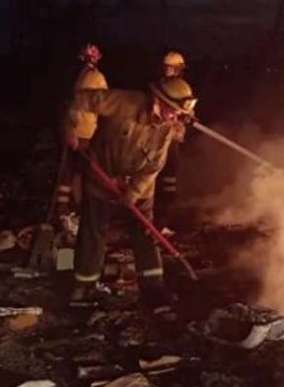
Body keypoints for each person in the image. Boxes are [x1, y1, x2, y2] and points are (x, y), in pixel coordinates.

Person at [64, 77, 197, 311]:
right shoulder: (123, 102)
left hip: (139, 187)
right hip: (101, 178)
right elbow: (79, 100)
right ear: (158, 101)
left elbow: (154, 167)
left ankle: (153, 287)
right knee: (94, 231)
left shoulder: (166, 129)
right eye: (173, 111)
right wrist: (70, 128)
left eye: (179, 114)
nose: (175, 117)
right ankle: (84, 287)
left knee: (145, 232)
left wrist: (132, 193)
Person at [56, 43, 108, 216]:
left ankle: (71, 206)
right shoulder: (94, 77)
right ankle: (76, 207)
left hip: (79, 130)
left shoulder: (78, 76)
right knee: (81, 170)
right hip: (86, 133)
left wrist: (68, 128)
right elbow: (104, 104)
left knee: (73, 170)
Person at [156, 51, 188, 226]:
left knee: (170, 174)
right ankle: (158, 215)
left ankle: (165, 213)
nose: (168, 70)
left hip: (173, 136)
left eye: (171, 68)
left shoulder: (180, 87)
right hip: (159, 135)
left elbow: (187, 107)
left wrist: (187, 115)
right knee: (160, 172)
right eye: (166, 67)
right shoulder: (160, 87)